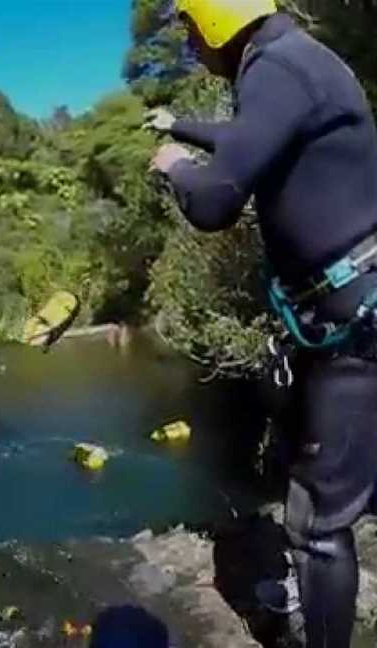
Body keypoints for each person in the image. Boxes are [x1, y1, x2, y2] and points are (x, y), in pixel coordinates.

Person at [147, 0, 377, 646]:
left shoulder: (278, 67)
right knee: (303, 466)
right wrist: (183, 127)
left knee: (316, 525)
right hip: (341, 312)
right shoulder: (292, 63)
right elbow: (253, 138)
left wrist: (174, 168)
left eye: (191, 28)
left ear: (219, 18)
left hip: (353, 322)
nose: (191, 45)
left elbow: (217, 199)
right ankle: (313, 593)